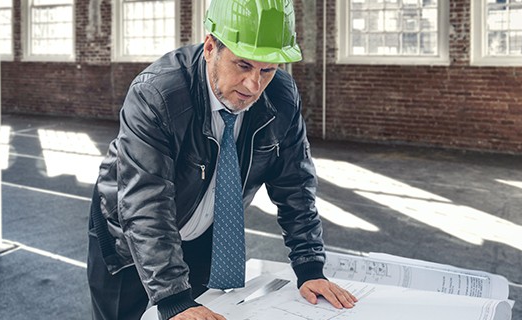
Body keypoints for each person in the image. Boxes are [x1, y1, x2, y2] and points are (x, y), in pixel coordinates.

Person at [87, 0, 357, 319]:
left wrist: (310, 267)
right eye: (243, 65)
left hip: (206, 232)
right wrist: (174, 299)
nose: (253, 85)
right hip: (131, 237)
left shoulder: (282, 98)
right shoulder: (157, 94)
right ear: (211, 46)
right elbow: (146, 200)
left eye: (267, 70)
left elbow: (295, 186)